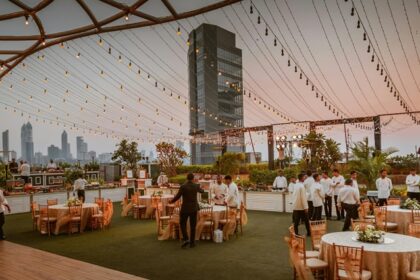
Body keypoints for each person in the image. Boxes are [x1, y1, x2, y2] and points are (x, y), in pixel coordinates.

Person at [170, 173, 204, 248]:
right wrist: (201, 187)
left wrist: (171, 201)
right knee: (193, 226)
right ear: (193, 178)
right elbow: (202, 191)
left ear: (186, 178)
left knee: (182, 224)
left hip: (185, 208)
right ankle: (192, 243)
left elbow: (177, 196)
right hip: (194, 208)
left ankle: (186, 239)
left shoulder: (183, 186)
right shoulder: (196, 186)